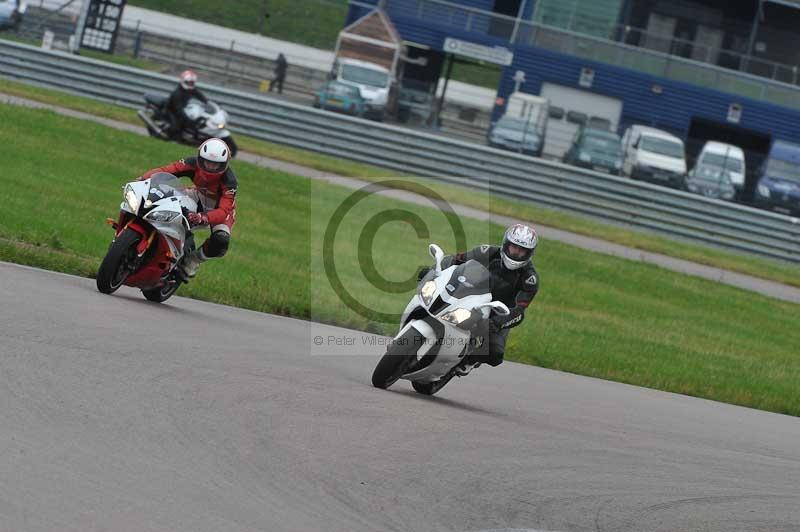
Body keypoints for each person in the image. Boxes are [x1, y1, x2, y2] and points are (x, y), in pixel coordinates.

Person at [419, 223, 540, 373]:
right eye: (514, 247)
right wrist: (432, 272)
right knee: (433, 301)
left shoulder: (530, 279)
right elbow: (455, 260)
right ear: (506, 244)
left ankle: (468, 362)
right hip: (469, 294)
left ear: (529, 253)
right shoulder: (487, 251)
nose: (516, 252)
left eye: (522, 250)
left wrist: (497, 323)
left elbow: (519, 312)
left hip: (497, 312)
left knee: (495, 354)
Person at [139, 138, 237, 278]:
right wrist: (144, 179)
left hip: (219, 210)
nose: (210, 167)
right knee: (164, 200)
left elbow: (224, 210)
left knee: (221, 240)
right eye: (207, 162)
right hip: (197, 195)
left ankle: (194, 260)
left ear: (224, 164)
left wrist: (204, 217)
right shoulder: (191, 163)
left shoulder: (229, 182)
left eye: (216, 165)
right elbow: (166, 170)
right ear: (200, 159)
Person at [165, 70, 208, 139]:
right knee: (176, 127)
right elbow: (179, 109)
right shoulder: (177, 93)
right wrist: (187, 119)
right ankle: (170, 138)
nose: (190, 84)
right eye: (188, 82)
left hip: (182, 108)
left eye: (192, 83)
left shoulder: (191, 89)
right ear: (183, 81)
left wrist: (207, 102)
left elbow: (200, 96)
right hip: (171, 110)